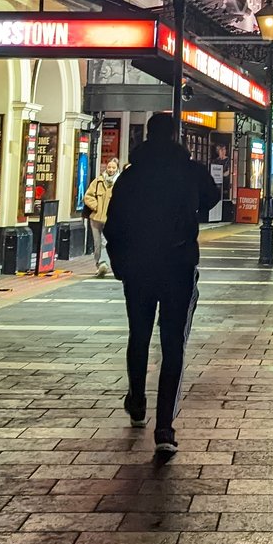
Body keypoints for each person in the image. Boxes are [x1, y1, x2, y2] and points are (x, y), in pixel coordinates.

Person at [104, 113, 221, 460]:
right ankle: (164, 428)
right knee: (172, 344)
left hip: (138, 267)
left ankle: (137, 400)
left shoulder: (131, 175)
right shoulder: (187, 169)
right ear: (174, 135)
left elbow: (113, 224)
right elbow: (213, 197)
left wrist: (120, 260)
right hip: (177, 264)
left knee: (138, 335)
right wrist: (188, 214)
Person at [83, 157, 118, 277]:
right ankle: (99, 264)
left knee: (105, 241)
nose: (111, 170)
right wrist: (96, 206)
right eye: (109, 167)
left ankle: (104, 264)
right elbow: (88, 196)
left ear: (117, 168)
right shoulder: (98, 181)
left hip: (111, 219)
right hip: (96, 218)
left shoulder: (120, 183)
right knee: (97, 243)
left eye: (113, 167)